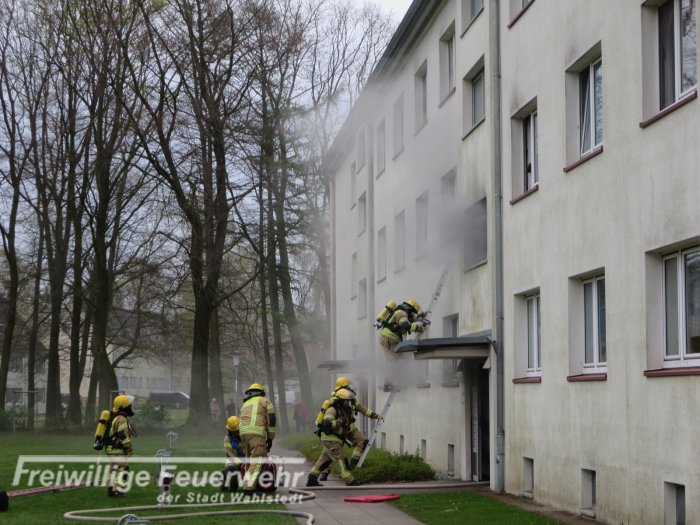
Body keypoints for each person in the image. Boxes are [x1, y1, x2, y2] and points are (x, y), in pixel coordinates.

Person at [318, 377, 380, 481]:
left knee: (362, 441)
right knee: (333, 452)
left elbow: (360, 407)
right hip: (337, 430)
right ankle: (324, 473)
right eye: (347, 386)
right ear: (343, 386)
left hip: (349, 428)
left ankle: (353, 464)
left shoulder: (349, 397)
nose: (349, 388)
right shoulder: (336, 399)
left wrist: (375, 415)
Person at [307, 389, 361, 487]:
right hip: (331, 439)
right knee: (341, 459)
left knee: (324, 461)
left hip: (334, 439)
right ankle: (350, 480)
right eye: (346, 401)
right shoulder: (332, 410)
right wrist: (339, 422)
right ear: (340, 401)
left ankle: (312, 479)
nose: (347, 403)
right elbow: (326, 424)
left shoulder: (342, 411)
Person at [239, 383, 276, 496]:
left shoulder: (245, 403)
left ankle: (247, 484)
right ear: (261, 392)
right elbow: (272, 420)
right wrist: (270, 438)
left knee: (249, 460)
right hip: (256, 432)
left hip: (243, 433)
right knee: (259, 459)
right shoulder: (265, 401)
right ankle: (249, 488)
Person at [105, 394, 136, 497]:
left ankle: (111, 489)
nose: (130, 407)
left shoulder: (116, 417)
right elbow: (122, 435)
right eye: (129, 406)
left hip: (110, 448)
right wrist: (129, 448)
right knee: (122, 469)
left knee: (113, 470)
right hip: (117, 449)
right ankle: (117, 490)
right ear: (124, 407)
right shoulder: (122, 419)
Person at [222, 416, 245, 491]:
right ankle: (226, 479)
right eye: (234, 431)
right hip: (233, 461)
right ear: (230, 430)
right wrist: (240, 463)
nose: (237, 432)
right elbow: (230, 454)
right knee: (231, 468)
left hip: (246, 461)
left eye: (238, 430)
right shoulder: (227, 439)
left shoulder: (245, 436)